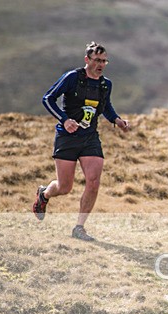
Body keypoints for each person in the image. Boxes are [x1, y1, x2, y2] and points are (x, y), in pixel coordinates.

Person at [33, 41, 131, 241]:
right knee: (64, 187)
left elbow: (105, 106)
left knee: (93, 182)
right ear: (87, 59)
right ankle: (44, 194)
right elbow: (48, 99)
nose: (101, 64)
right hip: (67, 137)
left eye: (104, 61)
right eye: (97, 60)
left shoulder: (105, 84)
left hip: (90, 138)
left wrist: (117, 120)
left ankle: (79, 228)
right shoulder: (72, 78)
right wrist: (65, 120)